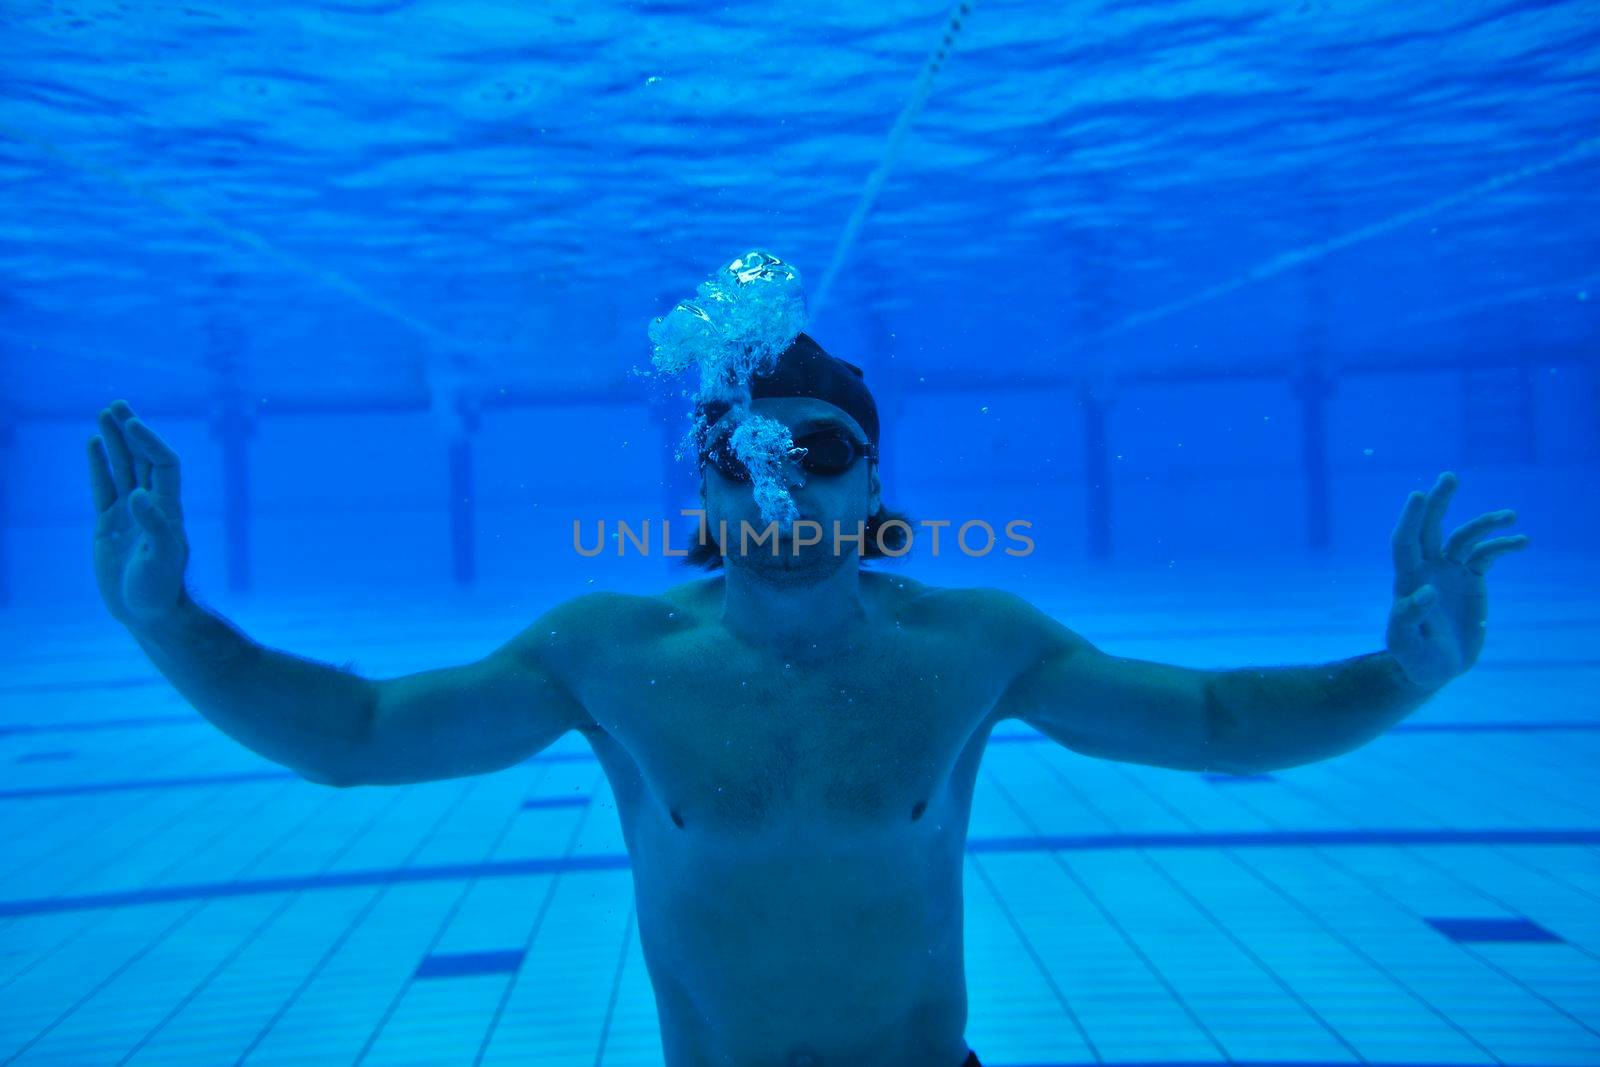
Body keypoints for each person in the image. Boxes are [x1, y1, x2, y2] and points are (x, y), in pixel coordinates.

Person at [88, 335, 1527, 1067]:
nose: (782, 482)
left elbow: (1214, 724)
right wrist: (165, 623)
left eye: (818, 451)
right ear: (707, 485)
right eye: (745, 452)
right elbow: (352, 741)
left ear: (874, 479)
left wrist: (1403, 674)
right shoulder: (608, 653)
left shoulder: (970, 646)